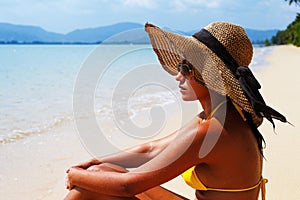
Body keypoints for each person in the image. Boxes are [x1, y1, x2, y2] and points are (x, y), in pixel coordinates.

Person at [65, 22, 289, 200]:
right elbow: (151, 149)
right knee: (101, 171)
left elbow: (127, 186)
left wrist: (76, 175)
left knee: (88, 188)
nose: (178, 75)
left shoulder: (214, 131)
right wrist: (93, 163)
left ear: (210, 75)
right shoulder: (220, 114)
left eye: (185, 68)